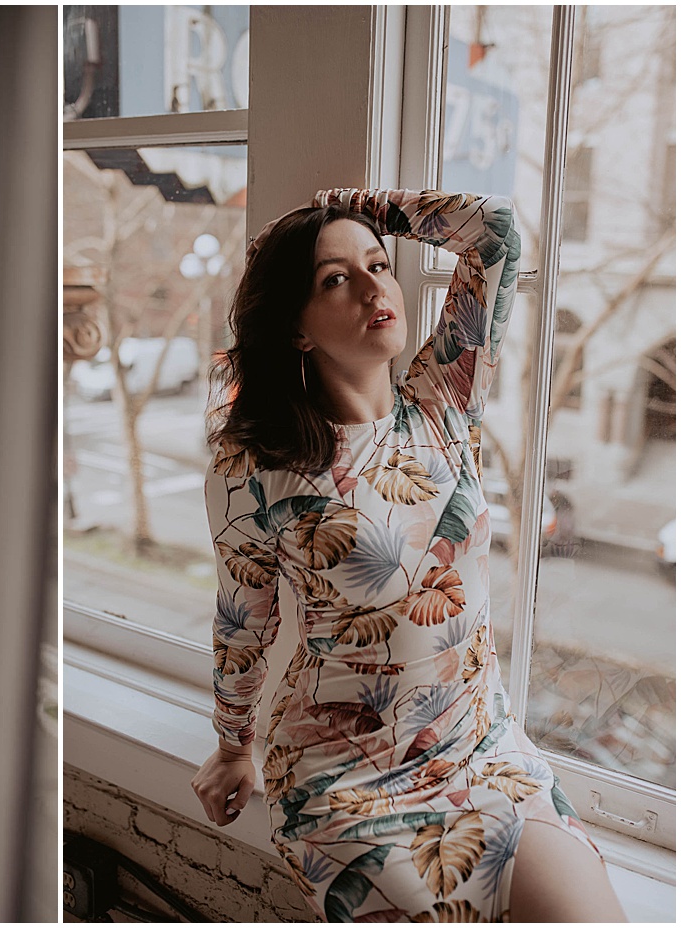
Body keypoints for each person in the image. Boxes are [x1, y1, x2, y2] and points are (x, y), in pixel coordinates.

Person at [190, 188, 626, 921]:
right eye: (335, 279)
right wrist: (234, 746)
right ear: (296, 328)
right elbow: (244, 623)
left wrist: (350, 205)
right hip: (344, 781)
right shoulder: (255, 468)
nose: (373, 289)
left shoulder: (445, 398)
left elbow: (494, 232)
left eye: (379, 265)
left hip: (480, 750)